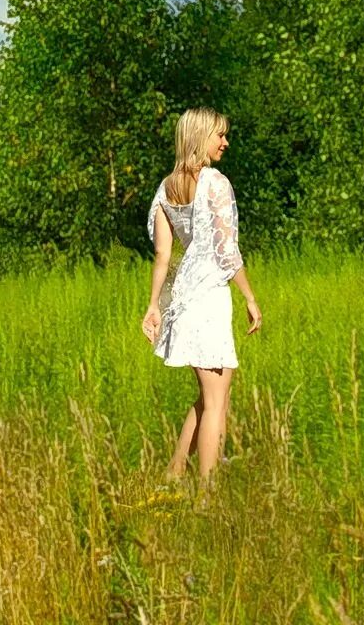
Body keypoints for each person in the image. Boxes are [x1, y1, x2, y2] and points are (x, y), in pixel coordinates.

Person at [138, 107, 263, 482]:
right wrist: (250, 297)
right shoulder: (215, 182)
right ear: (199, 137)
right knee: (216, 403)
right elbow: (227, 248)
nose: (225, 142)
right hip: (208, 296)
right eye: (219, 135)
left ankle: (176, 470)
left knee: (211, 394)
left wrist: (154, 306)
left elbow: (163, 255)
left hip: (183, 298)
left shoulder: (166, 187)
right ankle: (208, 497)